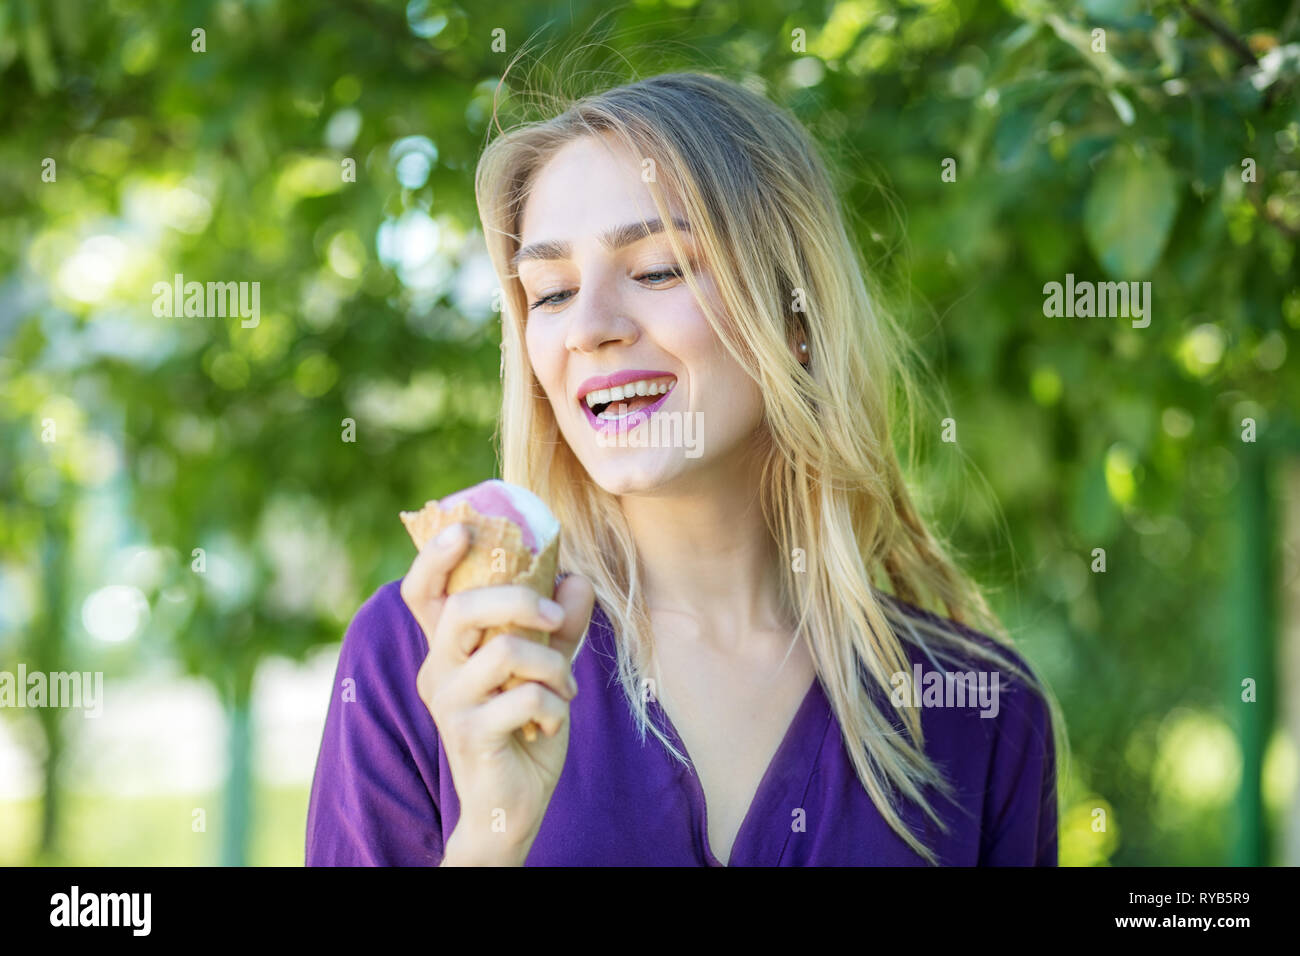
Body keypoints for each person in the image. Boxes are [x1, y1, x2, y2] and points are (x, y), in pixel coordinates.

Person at [306, 71, 1061, 866]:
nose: (588, 328)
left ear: (793, 312)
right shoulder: (427, 655)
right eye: (552, 292)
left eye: (658, 269)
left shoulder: (982, 713)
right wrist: (492, 832)